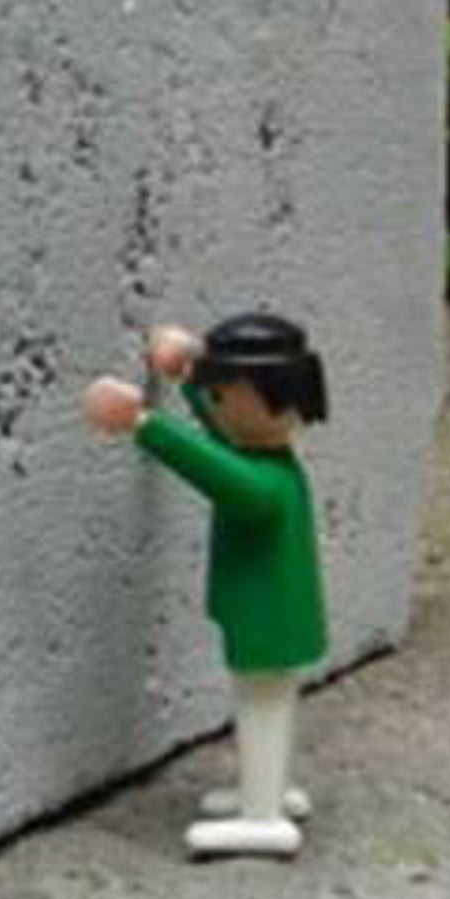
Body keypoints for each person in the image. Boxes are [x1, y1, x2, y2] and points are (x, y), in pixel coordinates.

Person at [83, 314, 328, 858]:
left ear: (273, 395)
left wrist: (143, 423)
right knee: (264, 706)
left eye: (220, 392)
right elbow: (224, 437)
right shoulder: (271, 458)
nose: (214, 404)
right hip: (273, 619)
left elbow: (211, 466)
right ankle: (265, 793)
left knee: (261, 707)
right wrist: (187, 378)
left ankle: (262, 816)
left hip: (268, 621)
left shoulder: (262, 484)